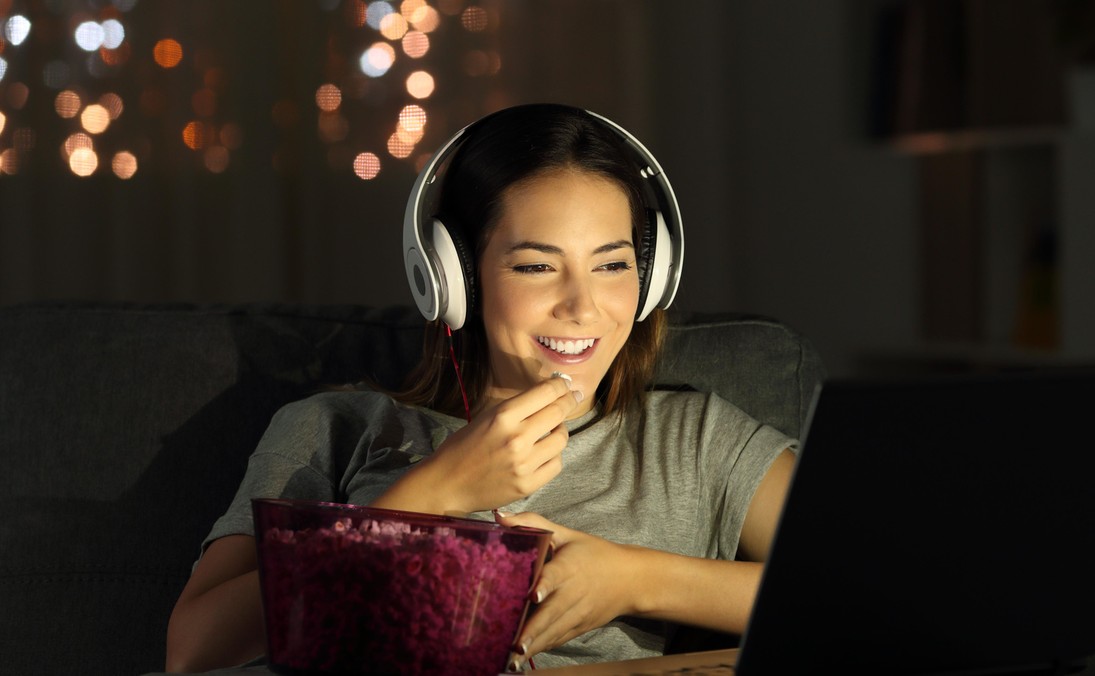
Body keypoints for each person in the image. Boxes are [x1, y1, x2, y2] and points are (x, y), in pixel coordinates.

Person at [164, 103, 802, 672]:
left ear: (652, 274)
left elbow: (871, 595)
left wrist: (636, 579)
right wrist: (434, 493)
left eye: (612, 265)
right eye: (536, 266)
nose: (583, 307)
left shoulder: (696, 442)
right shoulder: (334, 429)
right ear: (454, 278)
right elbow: (194, 649)